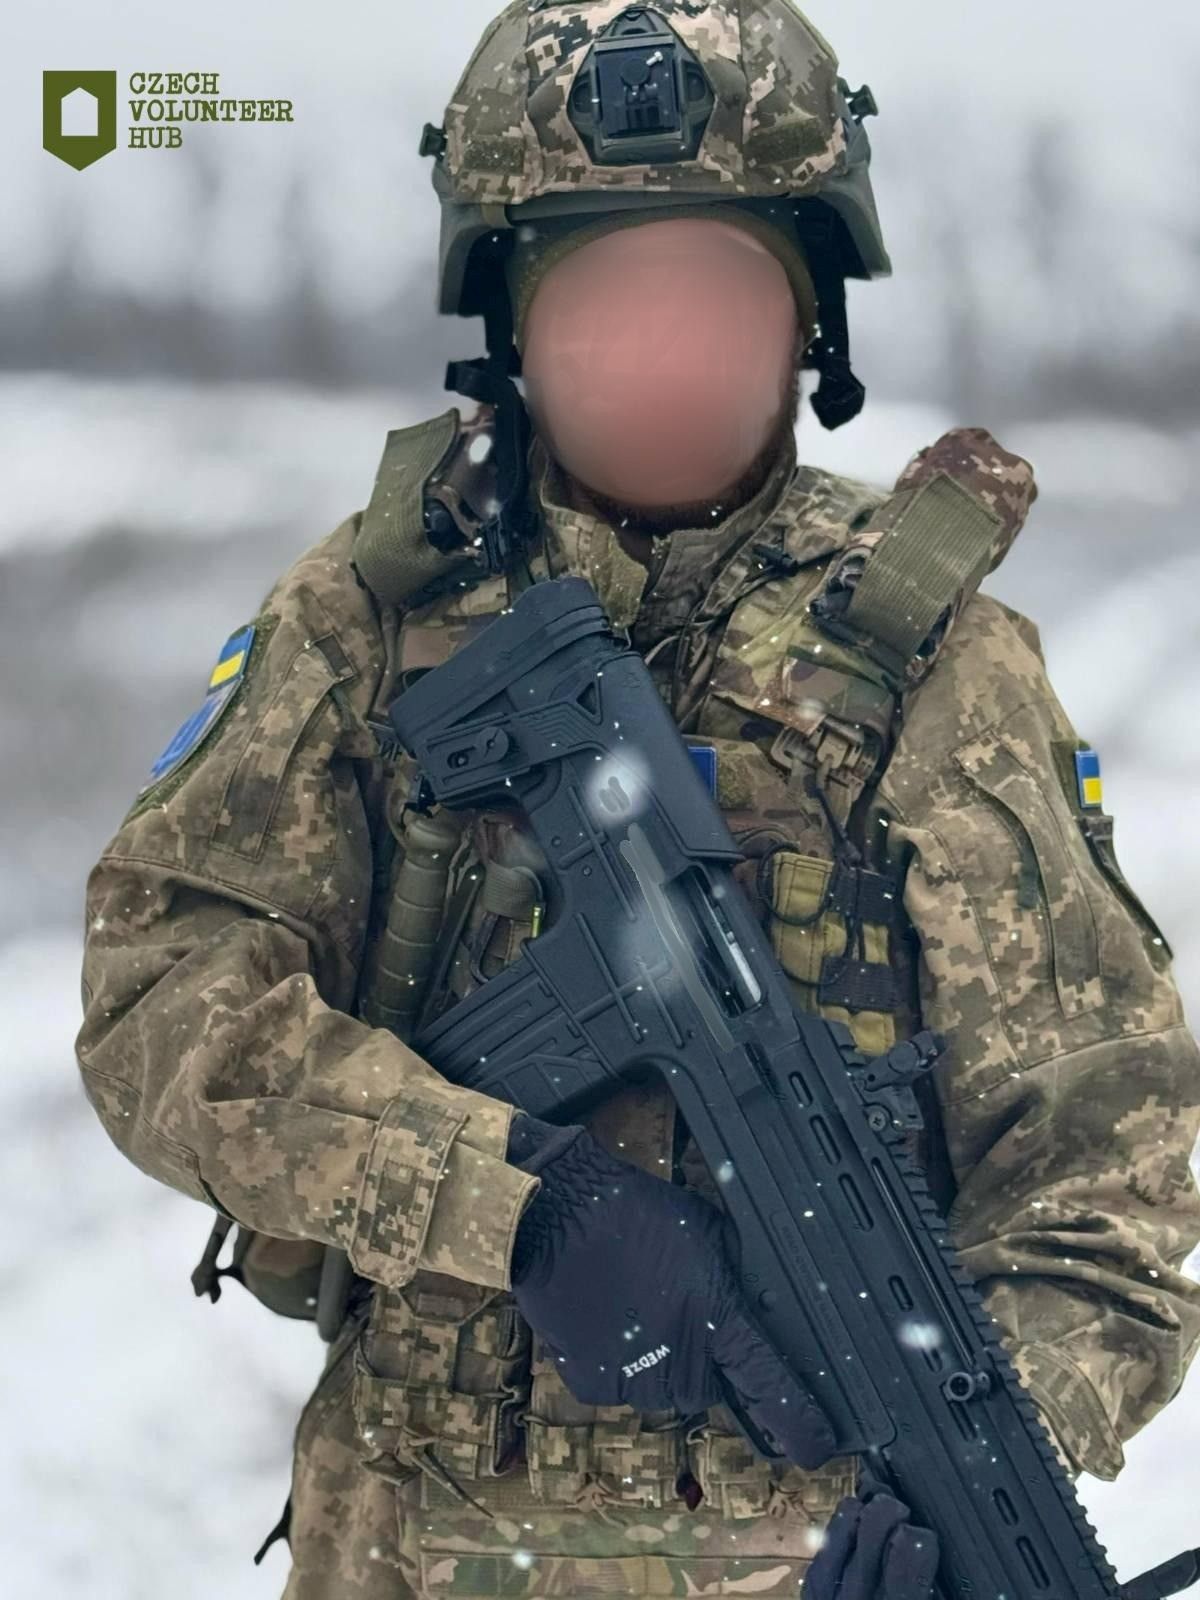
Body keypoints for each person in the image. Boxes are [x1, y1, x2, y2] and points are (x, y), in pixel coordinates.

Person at [75, 3, 1200, 1597]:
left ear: (809, 322)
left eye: (721, 293)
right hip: (411, 1544)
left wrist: (983, 1467)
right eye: (606, 297)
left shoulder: (943, 666)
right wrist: (513, 1203)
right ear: (510, 319)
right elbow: (163, 1000)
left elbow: (1108, 1164)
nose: (666, 355)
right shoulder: (369, 620)